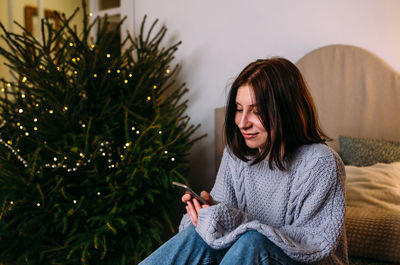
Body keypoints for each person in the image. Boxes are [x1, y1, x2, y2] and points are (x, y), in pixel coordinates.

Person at [139, 58, 348, 265]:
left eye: (257, 111)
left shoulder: (321, 163)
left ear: (286, 111)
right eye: (239, 109)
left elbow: (315, 245)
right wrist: (205, 215)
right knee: (198, 235)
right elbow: (215, 230)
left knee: (252, 241)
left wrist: (229, 221)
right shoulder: (236, 156)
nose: (242, 122)